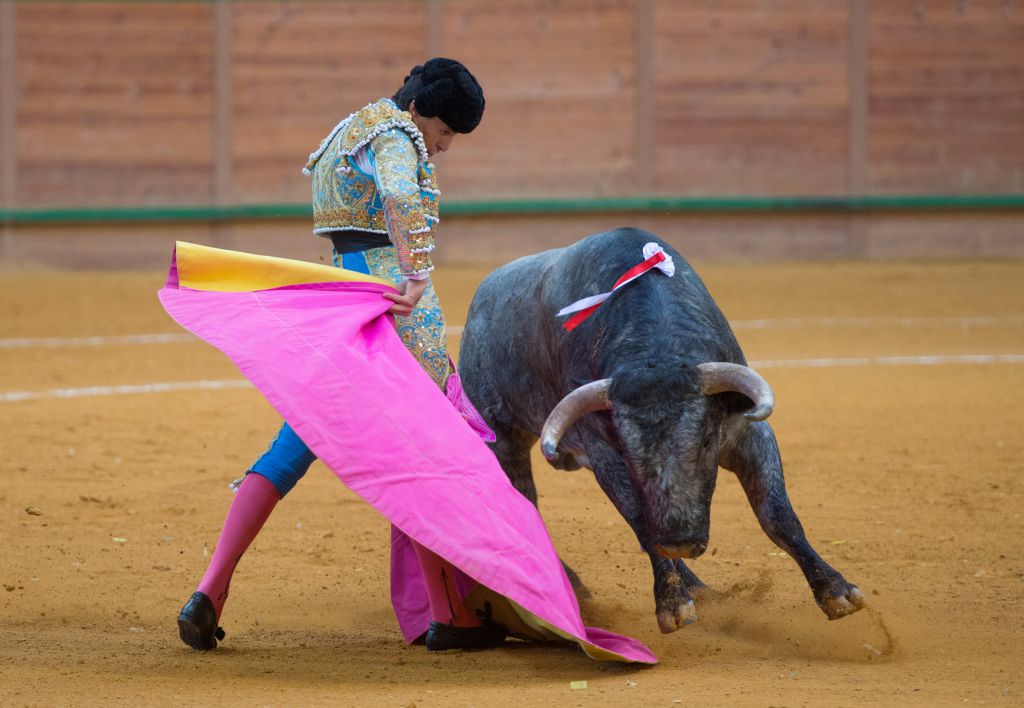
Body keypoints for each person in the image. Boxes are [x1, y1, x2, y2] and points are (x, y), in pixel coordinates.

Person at [177, 58, 506, 653]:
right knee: (424, 445)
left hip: (336, 299)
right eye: (447, 132)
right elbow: (403, 196)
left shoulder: (347, 130)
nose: (445, 146)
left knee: (292, 444)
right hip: (389, 307)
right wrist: (414, 273)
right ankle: (445, 615)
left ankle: (210, 589)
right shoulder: (398, 135)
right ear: (424, 111)